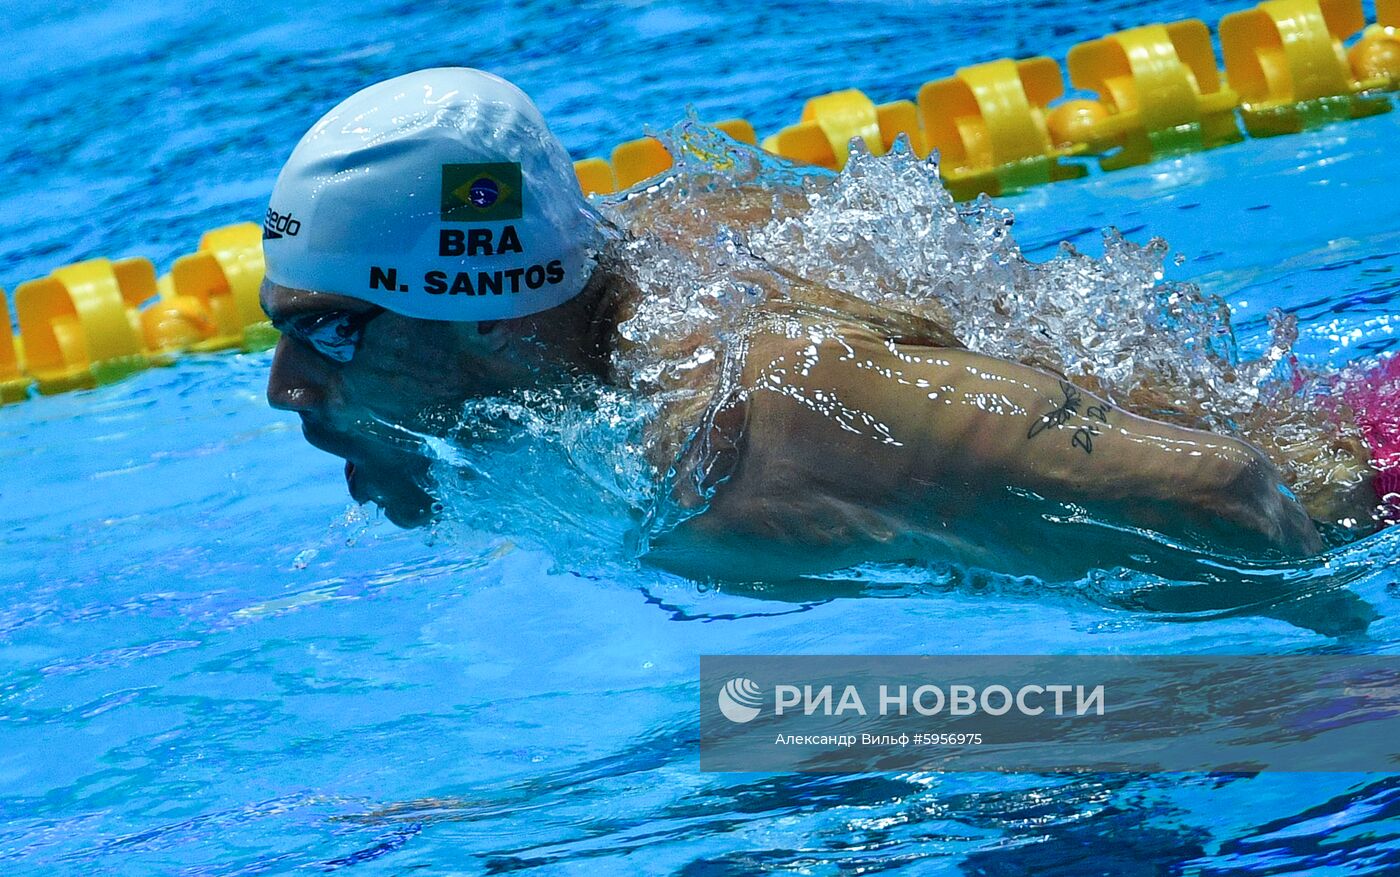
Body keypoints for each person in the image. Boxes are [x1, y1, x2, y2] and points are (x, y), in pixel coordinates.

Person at [260, 67, 1389, 583]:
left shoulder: (776, 416)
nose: (287, 384)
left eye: (332, 334)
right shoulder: (608, 273)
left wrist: (1302, 718)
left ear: (494, 322)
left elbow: (1227, 494)